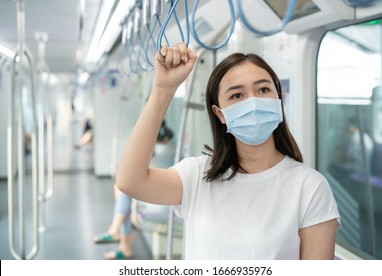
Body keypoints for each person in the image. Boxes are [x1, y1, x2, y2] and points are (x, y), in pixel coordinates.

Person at [115, 42, 340, 260]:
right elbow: (130, 181)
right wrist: (163, 89)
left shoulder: (309, 187)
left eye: (263, 89)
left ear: (278, 99)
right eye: (237, 95)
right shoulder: (197, 176)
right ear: (220, 114)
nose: (253, 102)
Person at [94, 120, 174, 260]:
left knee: (124, 192)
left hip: (167, 193)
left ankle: (117, 232)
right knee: (122, 190)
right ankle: (119, 234)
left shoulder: (168, 142)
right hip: (160, 186)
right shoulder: (157, 139)